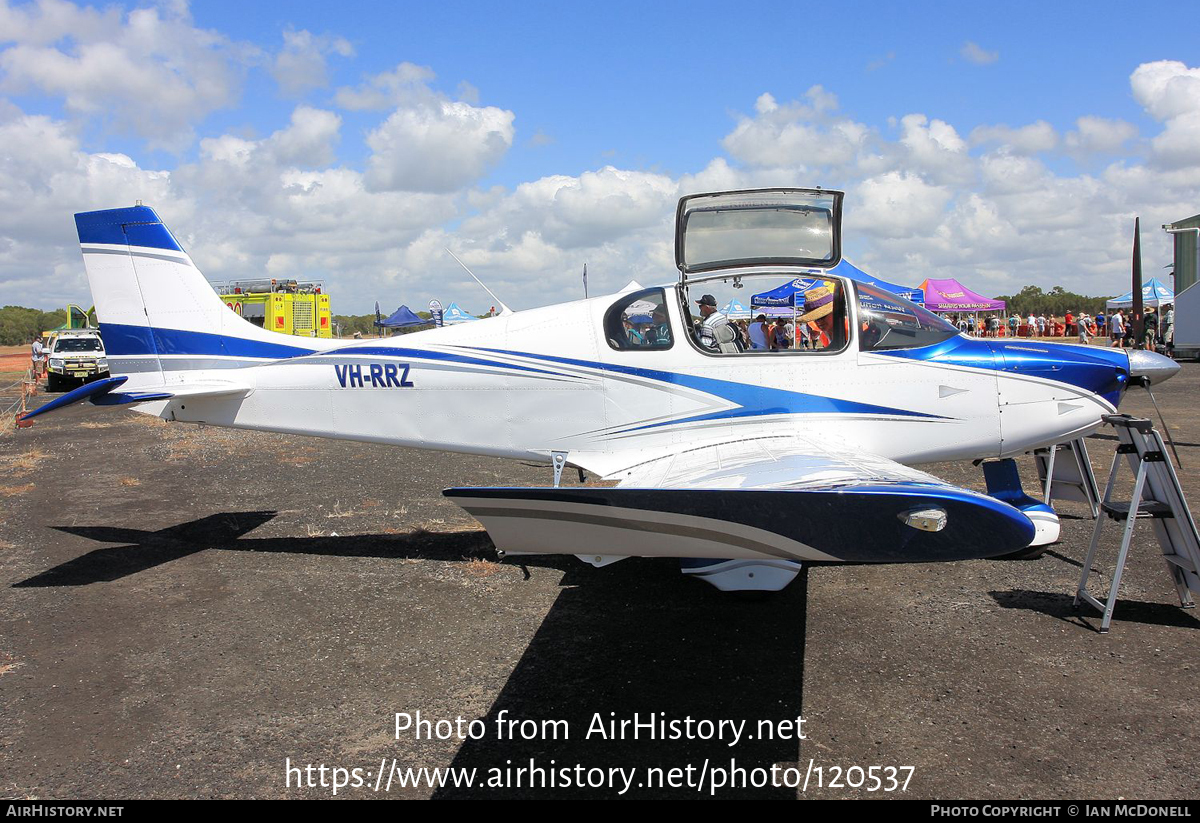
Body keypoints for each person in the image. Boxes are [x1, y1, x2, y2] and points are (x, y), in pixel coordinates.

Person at [796, 282, 843, 350]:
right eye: (815, 318)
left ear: (834, 312)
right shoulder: (824, 335)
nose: (818, 322)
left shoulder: (849, 330)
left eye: (822, 317)